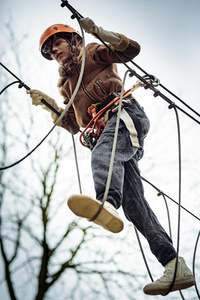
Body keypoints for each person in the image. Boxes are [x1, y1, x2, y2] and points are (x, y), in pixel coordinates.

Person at [27, 17, 195, 296]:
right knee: (134, 206)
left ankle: (106, 200)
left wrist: (98, 32)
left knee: (103, 156)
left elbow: (131, 50)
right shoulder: (66, 86)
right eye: (49, 51)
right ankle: (174, 265)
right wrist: (49, 105)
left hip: (125, 115)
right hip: (106, 134)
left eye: (57, 43)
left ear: (73, 40)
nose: (54, 51)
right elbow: (72, 125)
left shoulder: (93, 52)